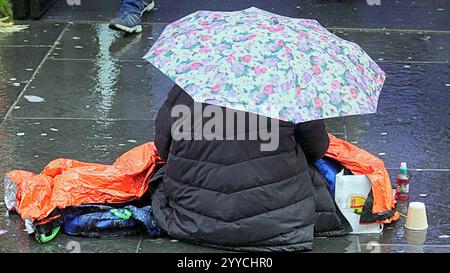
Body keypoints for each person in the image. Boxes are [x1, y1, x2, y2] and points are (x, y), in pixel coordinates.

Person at [150, 85, 352, 252]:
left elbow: (163, 148)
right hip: (278, 223)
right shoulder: (291, 89)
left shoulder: (186, 87)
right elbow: (316, 148)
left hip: (191, 218)